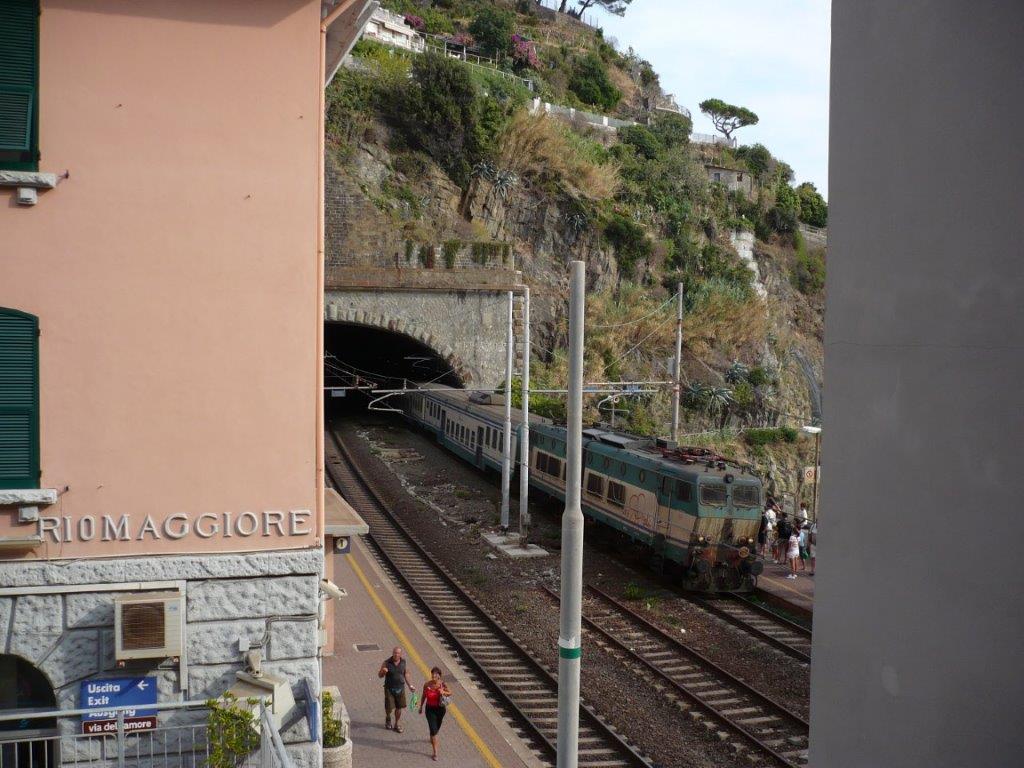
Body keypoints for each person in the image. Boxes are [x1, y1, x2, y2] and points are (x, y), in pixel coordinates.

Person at [419, 666, 452, 761]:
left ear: (439, 676)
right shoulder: (427, 685)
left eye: (436, 675)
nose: (433, 676)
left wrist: (443, 692)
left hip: (440, 710)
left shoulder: (443, 684)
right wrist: (421, 706)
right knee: (434, 730)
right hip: (430, 710)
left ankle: (432, 734)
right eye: (432, 674)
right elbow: (423, 696)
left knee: (436, 727)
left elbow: (450, 692)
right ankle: (435, 752)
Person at [378, 646, 415, 733]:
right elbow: (379, 675)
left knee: (399, 707)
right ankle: (388, 718)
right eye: (395, 653)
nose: (396, 654)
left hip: (400, 689)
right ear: (392, 653)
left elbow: (406, 674)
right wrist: (383, 671)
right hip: (389, 689)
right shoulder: (386, 663)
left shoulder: (403, 662)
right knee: (389, 707)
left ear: (400, 654)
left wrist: (410, 685)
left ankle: (397, 724)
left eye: (398, 653)